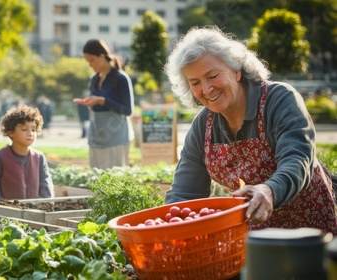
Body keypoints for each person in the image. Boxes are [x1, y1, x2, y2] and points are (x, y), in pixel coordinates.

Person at [163, 26, 337, 235]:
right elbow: (184, 193)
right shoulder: (203, 126)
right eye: (195, 82)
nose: (207, 89)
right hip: (254, 238)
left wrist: (269, 190)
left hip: (309, 232)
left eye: (213, 76)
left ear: (236, 70)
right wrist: (166, 225)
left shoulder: (278, 99)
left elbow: (297, 160)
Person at [74, 39, 134, 169]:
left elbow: (128, 110)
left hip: (116, 137)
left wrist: (102, 101)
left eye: (91, 60)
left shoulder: (121, 78)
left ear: (101, 57)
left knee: (115, 178)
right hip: (97, 135)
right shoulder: (94, 79)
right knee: (97, 178)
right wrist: (90, 102)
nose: (90, 64)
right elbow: (97, 106)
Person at [0, 105, 54, 200]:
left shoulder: (39, 157)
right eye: (24, 129)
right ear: (11, 132)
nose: (30, 133)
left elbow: (46, 183)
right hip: (8, 212)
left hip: (34, 211)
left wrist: (47, 205)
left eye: (33, 129)